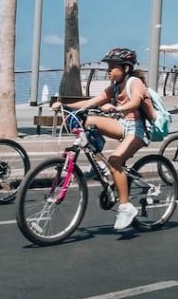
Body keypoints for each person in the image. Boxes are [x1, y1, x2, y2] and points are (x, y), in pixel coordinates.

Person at [52, 48, 149, 231]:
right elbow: (92, 101)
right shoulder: (113, 87)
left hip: (139, 129)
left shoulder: (135, 82)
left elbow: (136, 102)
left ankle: (125, 207)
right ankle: (100, 165)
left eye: (113, 67)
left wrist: (118, 109)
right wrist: (65, 105)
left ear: (126, 68)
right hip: (122, 125)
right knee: (86, 120)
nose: (109, 70)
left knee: (115, 161)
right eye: (108, 67)